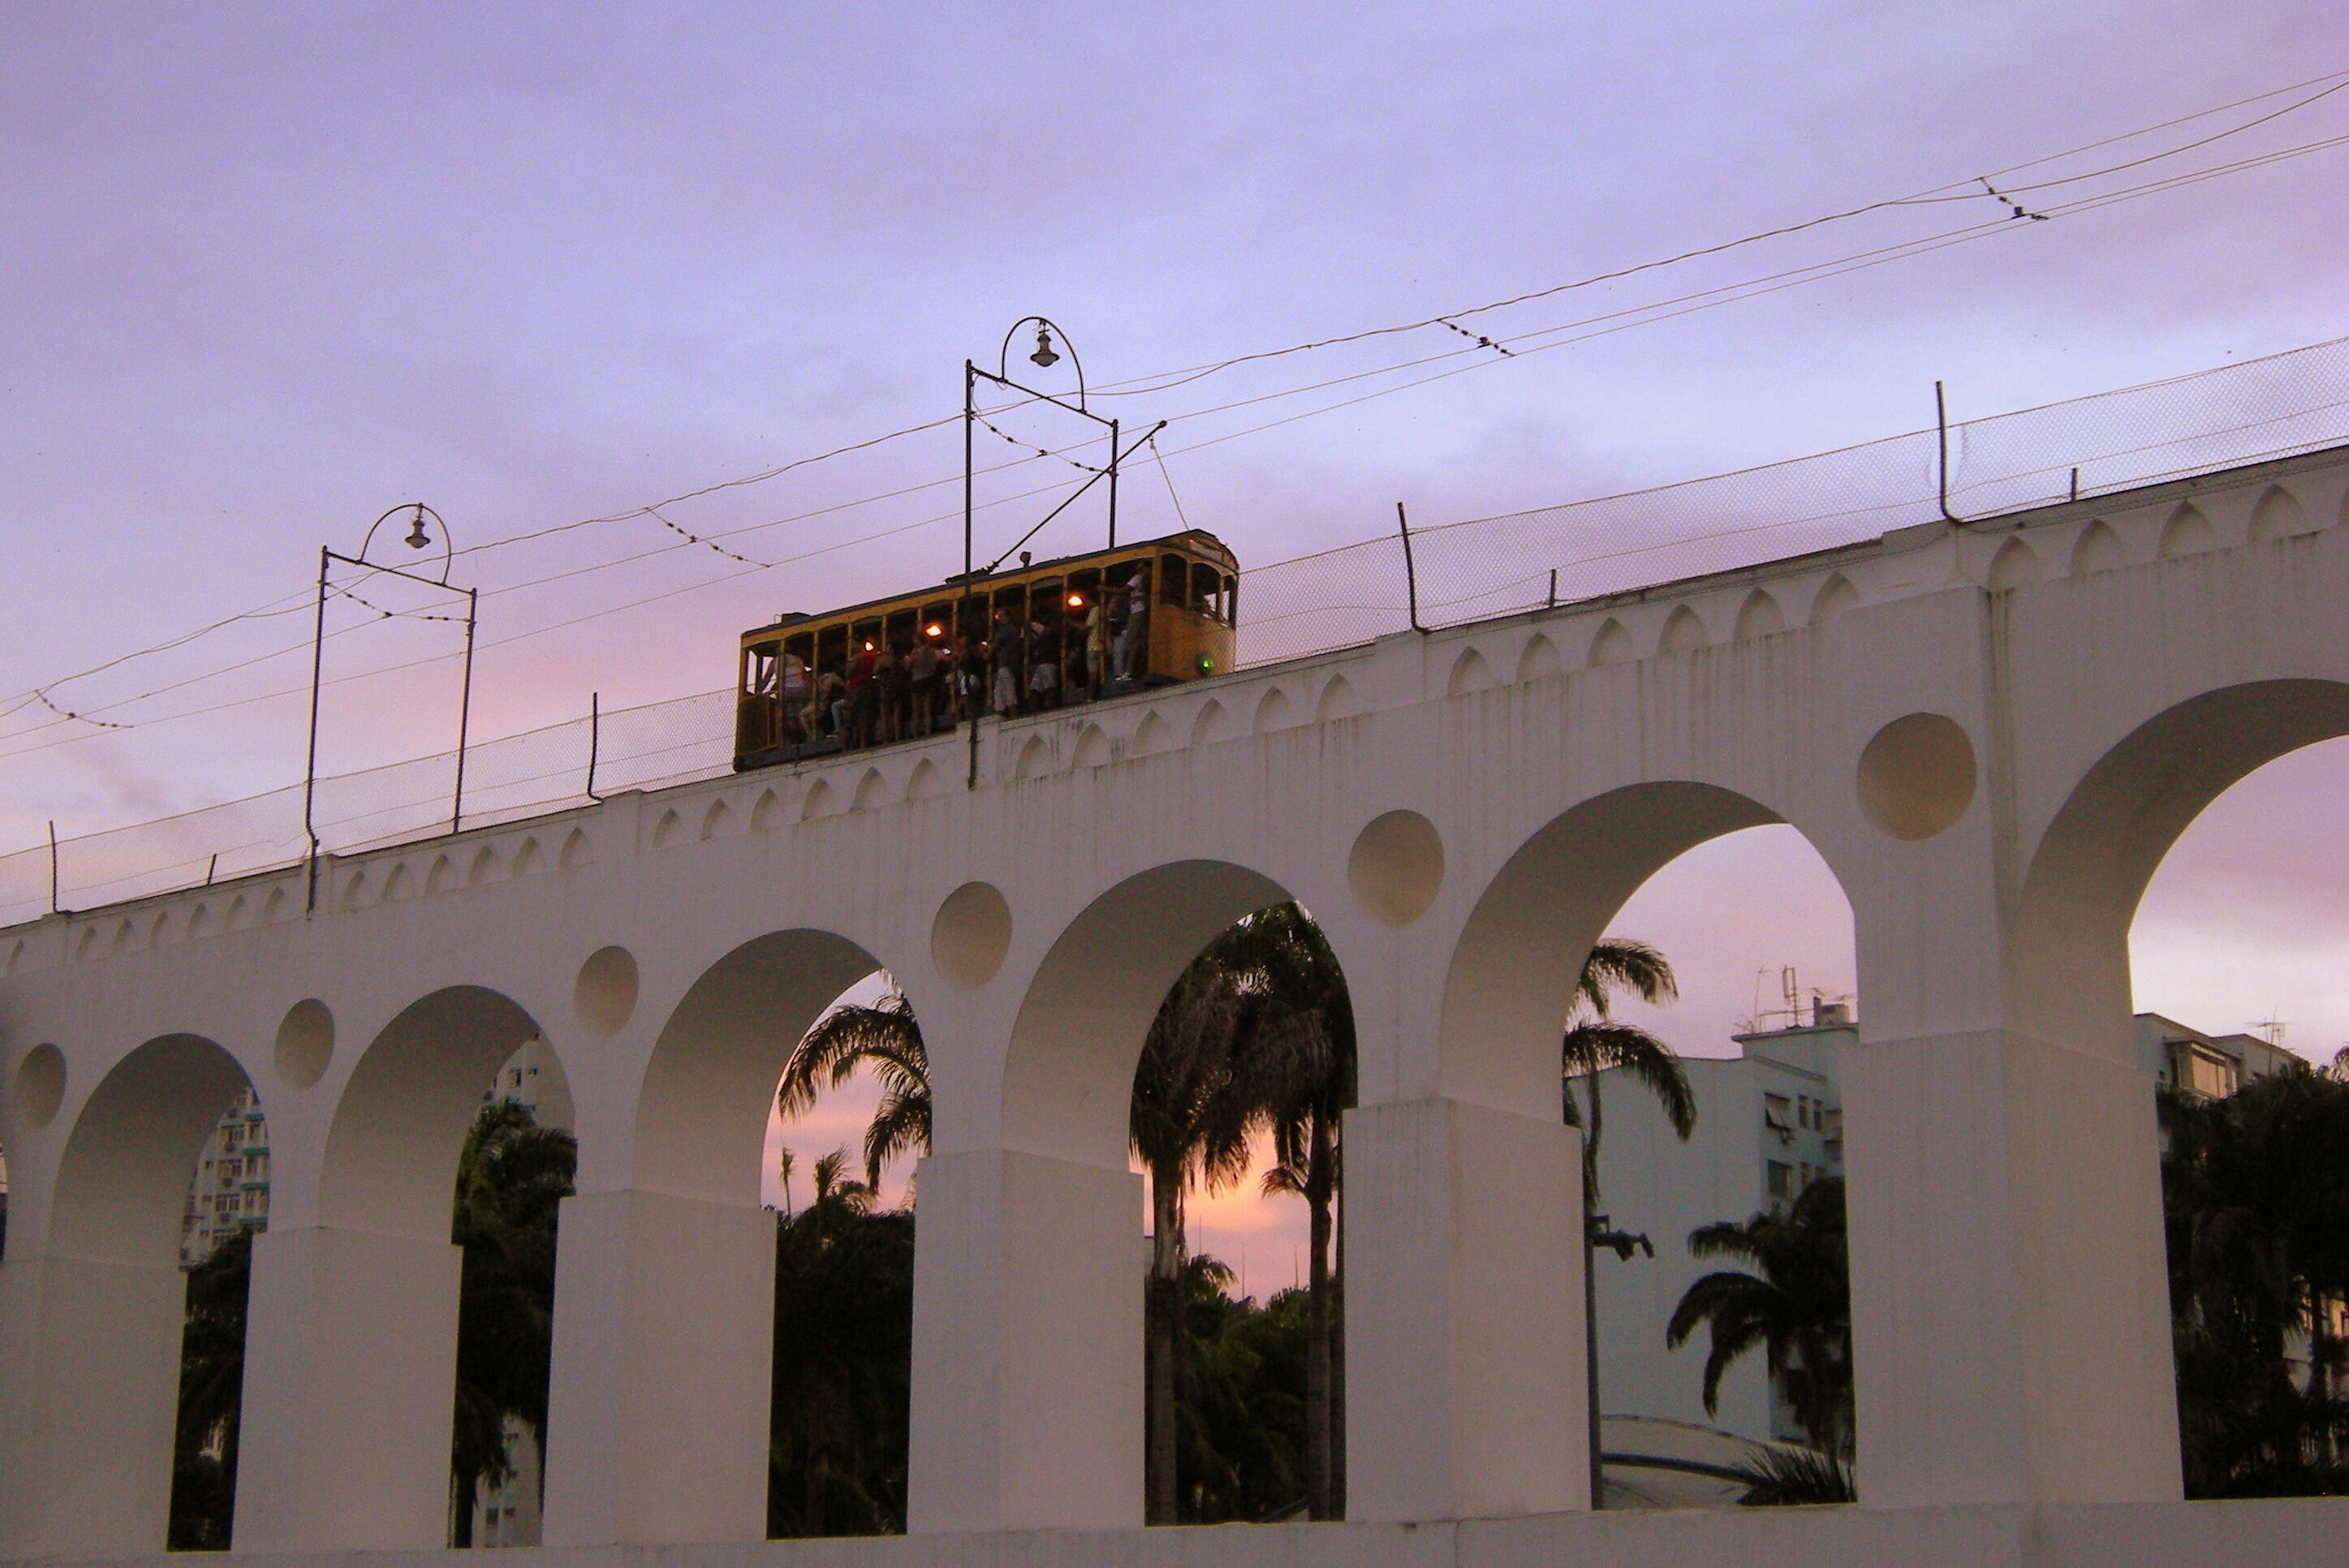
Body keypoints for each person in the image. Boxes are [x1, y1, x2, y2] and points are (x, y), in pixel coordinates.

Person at [844, 640, 878, 748]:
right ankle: (863, 743)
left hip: (855, 688)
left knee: (850, 718)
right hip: (867, 687)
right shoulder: (872, 658)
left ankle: (846, 745)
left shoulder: (856, 658)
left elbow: (848, 674)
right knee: (863, 717)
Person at [989, 610, 1024, 717]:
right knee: (999, 692)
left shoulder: (1007, 629)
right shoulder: (1010, 629)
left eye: (1001, 616)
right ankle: (1000, 714)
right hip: (1005, 664)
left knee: (1008, 691)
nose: (999, 619)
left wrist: (987, 654)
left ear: (1008, 617)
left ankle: (1013, 715)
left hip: (1007, 664)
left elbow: (996, 645)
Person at [908, 635, 942, 736]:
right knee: (927, 708)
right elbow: (938, 662)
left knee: (916, 710)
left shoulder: (915, 652)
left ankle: (916, 733)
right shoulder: (932, 651)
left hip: (917, 680)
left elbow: (909, 665)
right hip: (929, 678)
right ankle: (928, 732)